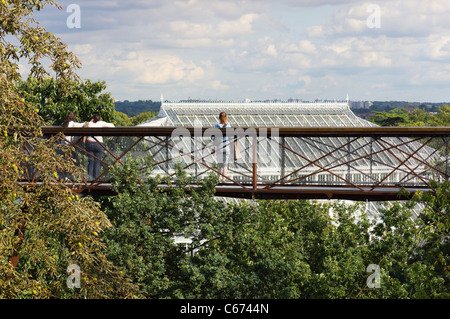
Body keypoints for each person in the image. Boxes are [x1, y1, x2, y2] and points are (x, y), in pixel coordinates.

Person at [84, 114, 115, 180]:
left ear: (93, 119)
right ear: (99, 119)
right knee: (97, 162)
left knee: (91, 161)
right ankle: (96, 178)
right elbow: (112, 126)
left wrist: (90, 122)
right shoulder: (101, 123)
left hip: (89, 143)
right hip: (99, 144)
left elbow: (83, 126)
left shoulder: (89, 123)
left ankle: (89, 178)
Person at [214, 112, 233, 182]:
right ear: (226, 117)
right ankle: (224, 179)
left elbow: (213, 137)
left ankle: (218, 179)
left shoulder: (216, 126)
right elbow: (231, 136)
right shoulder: (228, 126)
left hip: (219, 147)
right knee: (225, 164)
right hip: (226, 147)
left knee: (219, 164)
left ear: (219, 117)